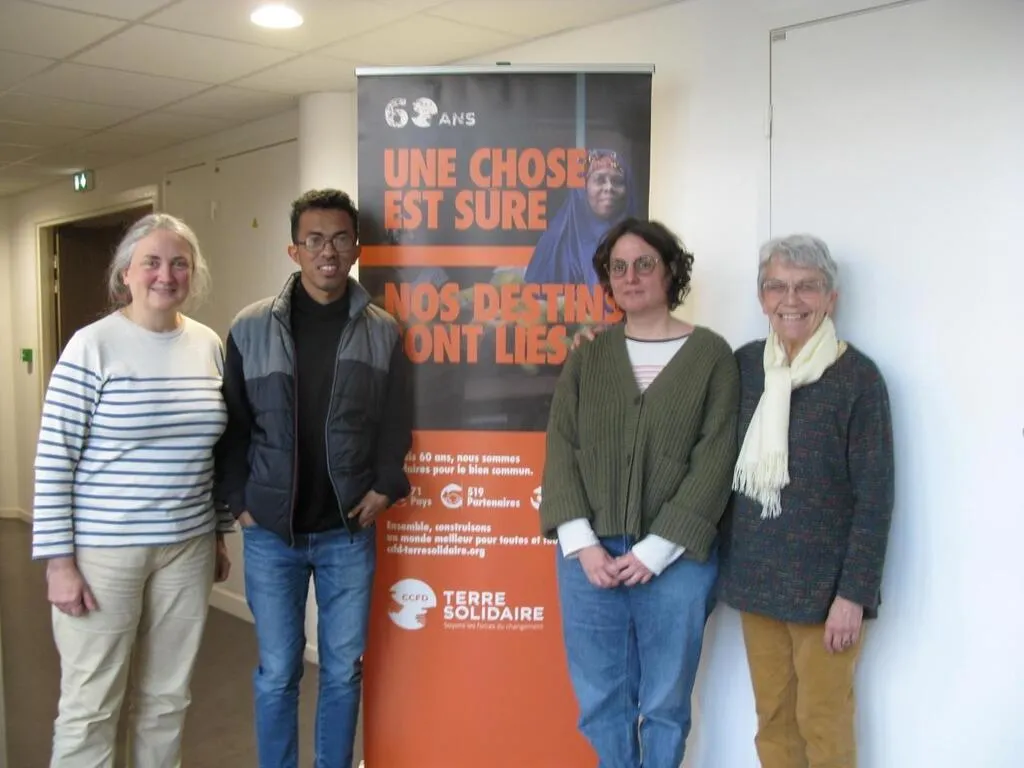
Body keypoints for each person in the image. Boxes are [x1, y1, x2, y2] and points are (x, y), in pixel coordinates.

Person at [216, 188, 413, 768]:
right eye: (315, 240)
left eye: (340, 239)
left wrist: (385, 486)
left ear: (357, 248)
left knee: (343, 670)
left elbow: (395, 422)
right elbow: (233, 428)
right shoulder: (250, 328)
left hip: (346, 532)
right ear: (294, 249)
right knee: (278, 671)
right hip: (271, 534)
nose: (329, 251)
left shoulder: (383, 331)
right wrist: (240, 503)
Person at [31, 213, 232, 766]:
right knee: (91, 704)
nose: (166, 275)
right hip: (103, 552)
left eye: (179, 263)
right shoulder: (92, 346)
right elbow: (54, 459)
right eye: (152, 262)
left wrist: (217, 533)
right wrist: (58, 563)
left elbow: (214, 452)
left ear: (193, 273)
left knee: (168, 699)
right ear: (126, 273)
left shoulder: (207, 344)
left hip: (187, 547)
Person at [538, 217, 739, 767]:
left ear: (670, 270)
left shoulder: (712, 357)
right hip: (591, 560)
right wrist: (583, 544)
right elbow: (561, 448)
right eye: (618, 267)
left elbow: (715, 460)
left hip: (676, 561)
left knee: (666, 704)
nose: (630, 276)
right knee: (601, 701)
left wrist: (656, 550)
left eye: (644, 263)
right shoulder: (588, 356)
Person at [718, 234, 895, 768]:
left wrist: (853, 596)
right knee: (772, 722)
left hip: (826, 597)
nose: (790, 299)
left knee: (824, 723)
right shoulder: (744, 367)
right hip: (757, 582)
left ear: (830, 298)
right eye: (777, 286)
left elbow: (875, 497)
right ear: (762, 298)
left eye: (807, 287)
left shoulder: (858, 379)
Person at [525, 148, 636, 287]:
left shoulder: (638, 241)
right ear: (583, 188)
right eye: (600, 180)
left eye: (617, 181)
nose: (609, 187)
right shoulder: (555, 243)